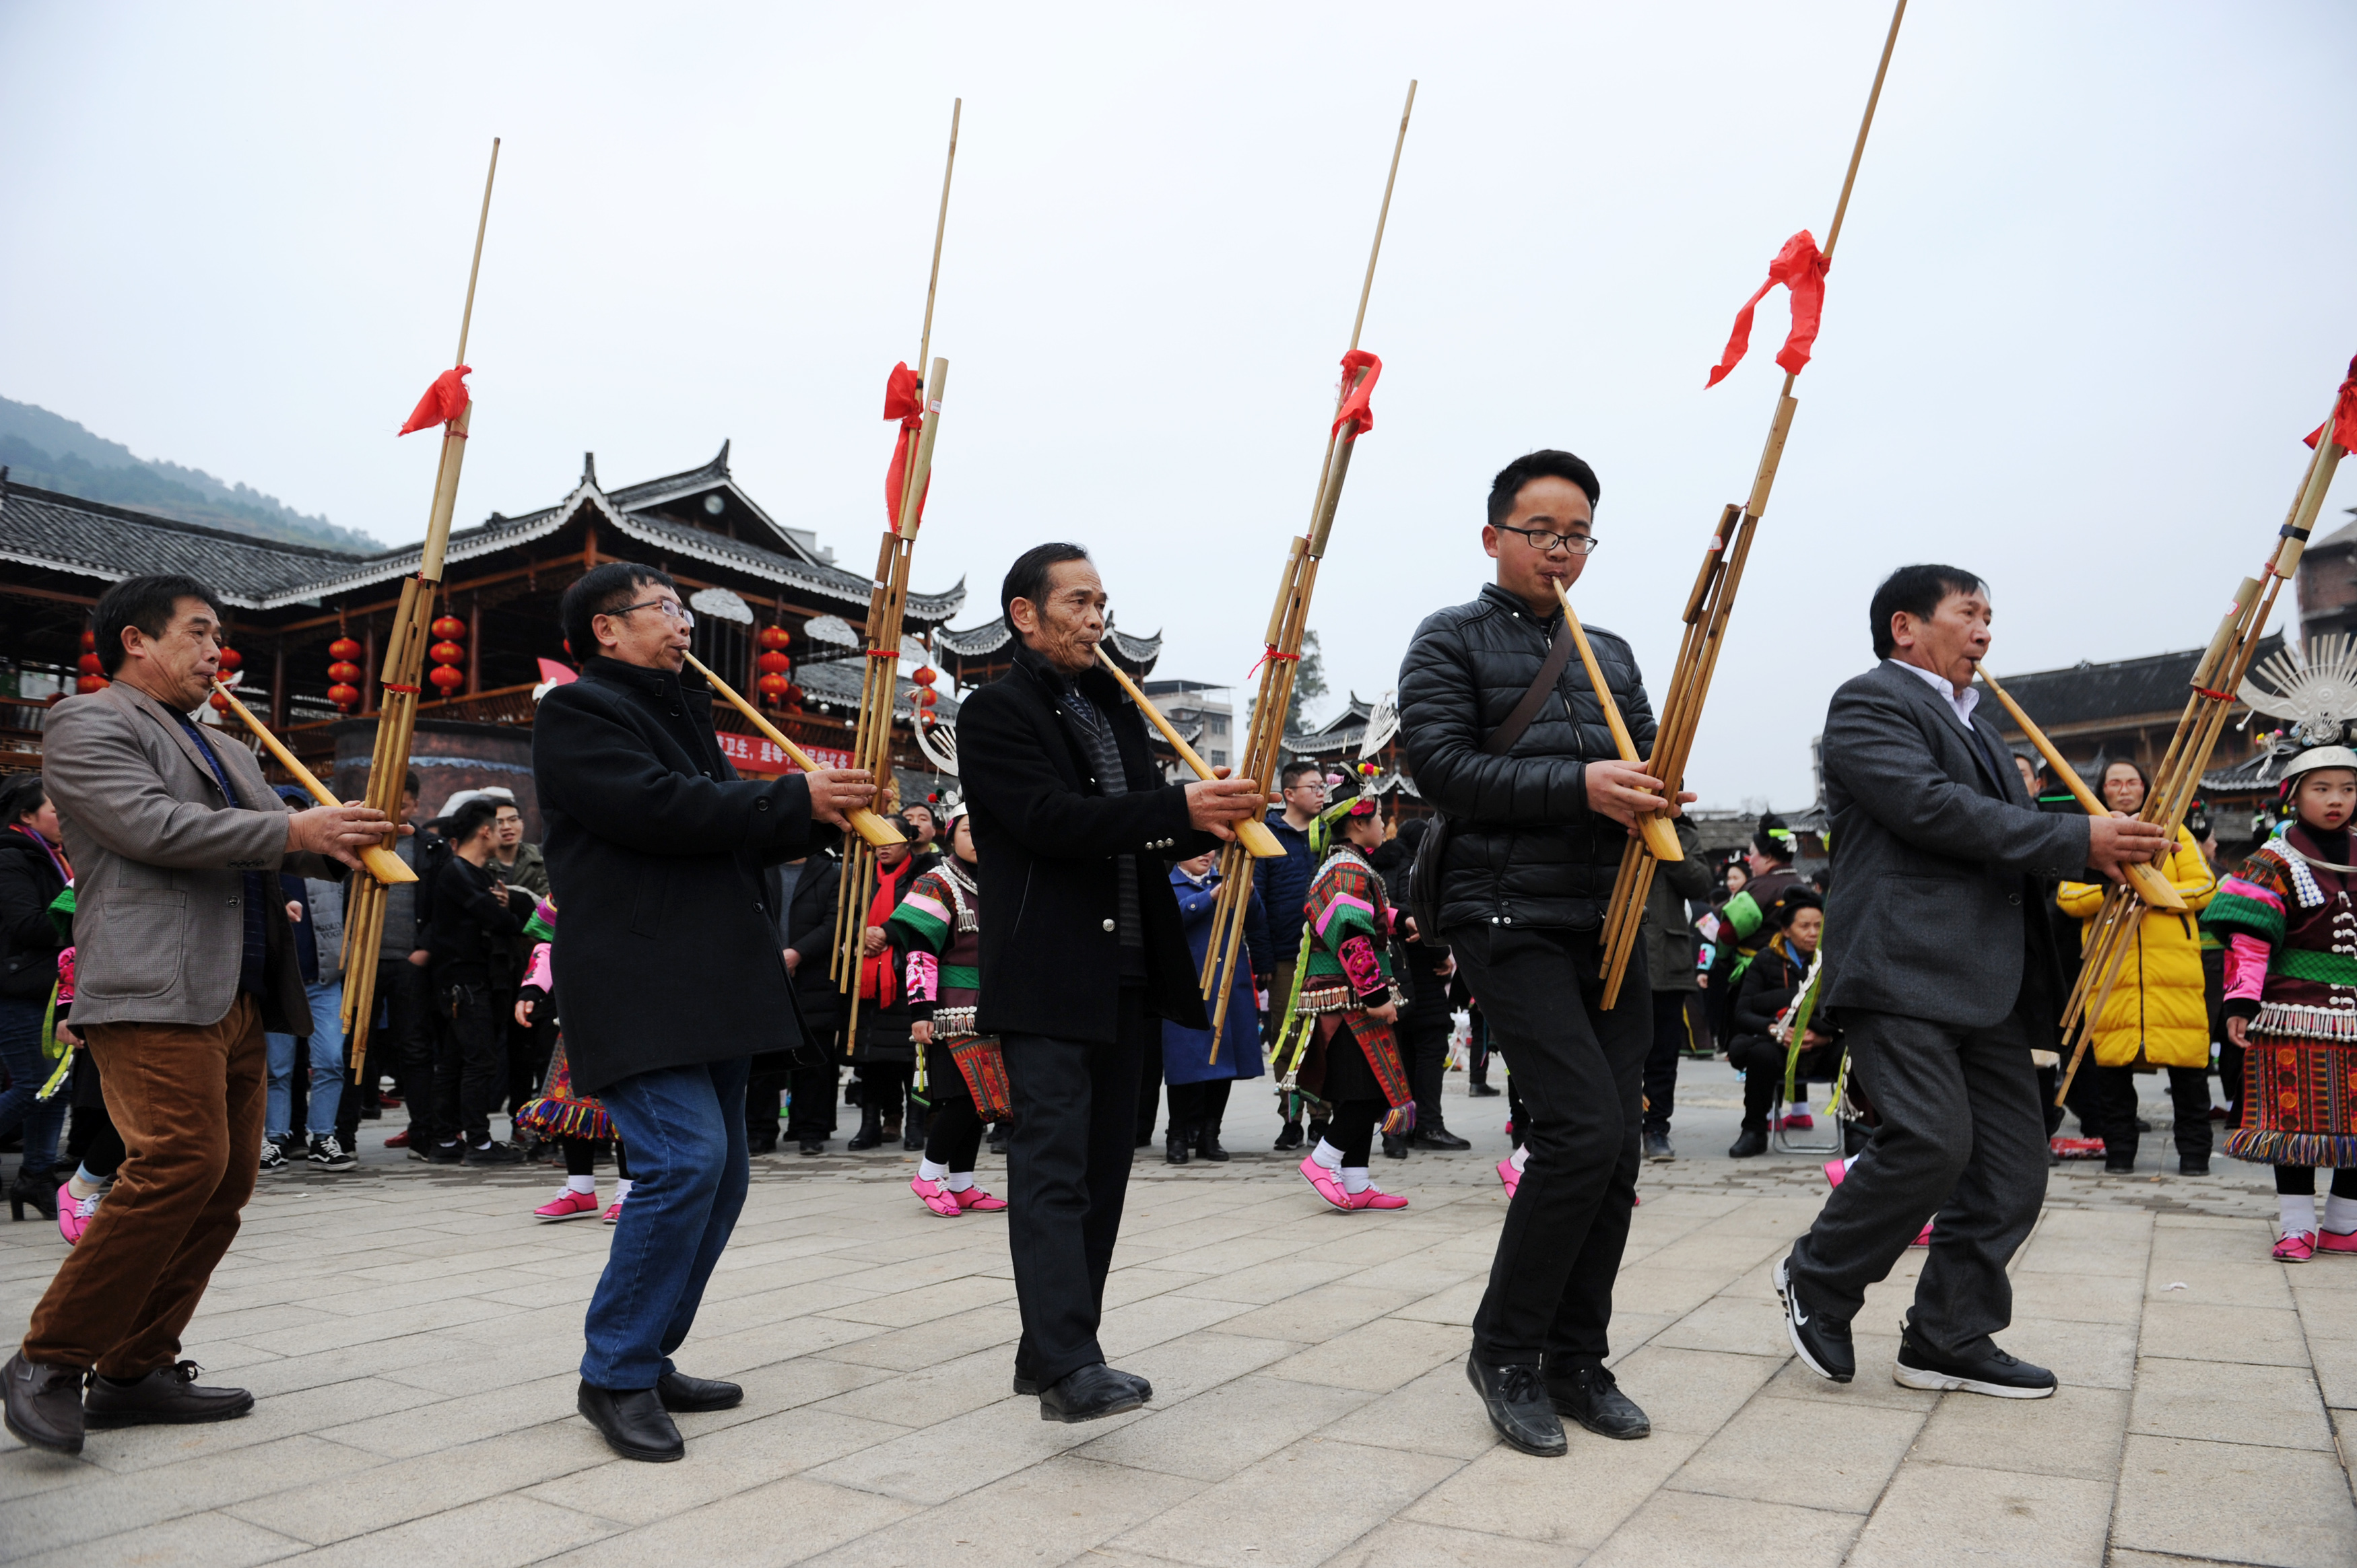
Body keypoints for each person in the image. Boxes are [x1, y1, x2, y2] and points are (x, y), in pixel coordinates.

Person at [3, 574, 397, 1456]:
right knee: (178, 1162)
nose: (216, 650)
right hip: (154, 984)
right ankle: (47, 1357)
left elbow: (275, 847)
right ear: (136, 641)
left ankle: (135, 1367)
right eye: (198, 631)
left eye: (218, 634)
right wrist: (298, 833)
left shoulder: (225, 741)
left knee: (224, 1182)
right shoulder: (88, 720)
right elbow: (152, 827)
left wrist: (348, 844)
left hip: (242, 990)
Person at [1775, 564, 2169, 1400]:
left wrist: (2109, 856)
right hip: (1900, 963)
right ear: (1905, 628)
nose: (1985, 630)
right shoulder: (1870, 701)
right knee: (1928, 1139)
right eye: (1969, 613)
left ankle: (1948, 1333)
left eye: (1991, 615)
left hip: (1988, 977)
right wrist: (2078, 837)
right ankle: (1818, 1277)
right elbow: (1928, 809)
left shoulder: (1985, 730)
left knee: (2011, 1170)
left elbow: (2010, 841)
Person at [533, 561, 874, 1462]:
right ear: (607, 630)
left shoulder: (683, 709)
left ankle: (647, 1351)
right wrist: (789, 795)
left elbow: (729, 825)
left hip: (711, 978)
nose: (683, 624)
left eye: (682, 609)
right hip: (640, 977)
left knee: (722, 1175)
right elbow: (657, 811)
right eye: (665, 609)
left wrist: (817, 818)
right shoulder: (578, 712)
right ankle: (613, 1372)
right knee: (687, 1162)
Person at [1397, 449, 1687, 1458]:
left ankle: (1577, 1355)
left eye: (1577, 535)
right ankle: (1505, 1351)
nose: (1561, 551)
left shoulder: (1610, 649)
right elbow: (1439, 767)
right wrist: (1581, 786)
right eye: (1541, 532)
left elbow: (1646, 761)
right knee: (1574, 1127)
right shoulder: (1450, 638)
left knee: (1615, 1145)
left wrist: (1653, 791)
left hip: (1611, 917)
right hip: (1505, 913)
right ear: (1494, 537)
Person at [958, 542, 1262, 1423]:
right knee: (1052, 1169)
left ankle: (1059, 1348)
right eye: (1080, 602)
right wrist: (1177, 812)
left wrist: (1212, 824)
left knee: (1104, 1169)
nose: (1098, 618)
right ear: (1026, 613)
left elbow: (1141, 828)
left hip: (1130, 968)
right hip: (1048, 970)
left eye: (1103, 603)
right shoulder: (995, 713)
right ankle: (1066, 1360)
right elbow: (1050, 823)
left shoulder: (1114, 707)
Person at [2201, 744, 2357, 1260]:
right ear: (2293, 794)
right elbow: (2250, 940)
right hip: (2291, 1012)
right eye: (2322, 788)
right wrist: (2241, 1003)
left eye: (2348, 788)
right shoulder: (2272, 860)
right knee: (2294, 1123)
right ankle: (2296, 1224)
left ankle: (2343, 1222)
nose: (2336, 800)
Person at [2055, 759, 2219, 1175]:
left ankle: (2196, 1157)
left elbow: (2204, 887)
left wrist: (2149, 890)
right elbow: (2069, 898)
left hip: (2174, 971)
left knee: (2188, 1068)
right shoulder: (2089, 838)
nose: (2124, 789)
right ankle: (2120, 1155)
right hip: (2112, 967)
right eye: (2115, 783)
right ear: (2102, 790)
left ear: (2146, 787)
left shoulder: (2173, 830)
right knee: (2112, 1070)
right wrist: (2114, 889)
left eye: (2132, 782)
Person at [1275, 775, 1414, 1211]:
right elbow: (1351, 937)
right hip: (1349, 1000)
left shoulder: (1347, 867)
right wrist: (1376, 996)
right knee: (1366, 1091)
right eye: (1378, 817)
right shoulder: (1347, 870)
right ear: (1358, 823)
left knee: (1366, 1091)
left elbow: (1364, 916)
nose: (1385, 824)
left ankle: (1355, 1181)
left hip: (1346, 997)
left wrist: (1401, 919)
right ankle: (1324, 1160)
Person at [888, 810, 1009, 1215]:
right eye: (970, 830)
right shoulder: (936, 882)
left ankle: (962, 1183)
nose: (979, 839)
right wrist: (920, 1010)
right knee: (963, 1098)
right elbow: (920, 952)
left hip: (993, 1005)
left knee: (984, 1100)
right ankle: (928, 1174)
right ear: (950, 834)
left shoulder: (1000, 880)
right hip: (949, 1008)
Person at [420, 796, 528, 1165]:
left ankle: (445, 1141)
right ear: (486, 831)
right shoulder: (458, 872)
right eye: (498, 825)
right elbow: (496, 920)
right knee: (479, 1062)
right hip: (464, 984)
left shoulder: (476, 873)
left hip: (467, 983)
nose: (502, 832)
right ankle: (478, 1143)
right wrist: (512, 916)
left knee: (455, 1061)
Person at [512, 912, 634, 1223]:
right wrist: (533, 989)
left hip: (634, 1009)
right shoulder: (568, 882)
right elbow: (549, 944)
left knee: (628, 1104)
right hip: (579, 1012)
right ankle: (580, 1189)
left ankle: (630, 1190)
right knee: (572, 1101)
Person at [258, 790, 356, 1173]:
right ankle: (275, 1139)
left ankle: (322, 1137)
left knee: (331, 1060)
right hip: (280, 980)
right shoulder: (261, 862)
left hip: (325, 977)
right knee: (277, 1067)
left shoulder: (324, 860)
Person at [1160, 848, 1267, 1165]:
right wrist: (1209, 897)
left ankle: (1211, 1135)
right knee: (1183, 1064)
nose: (1206, 855)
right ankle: (1177, 1134)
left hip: (1228, 985)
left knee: (1225, 1063)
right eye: (1196, 848)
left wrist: (1248, 894)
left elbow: (1258, 921)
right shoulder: (1169, 884)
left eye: (1211, 849)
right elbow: (1167, 922)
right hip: (1187, 988)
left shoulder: (1228, 880)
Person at [0, 773, 73, 1221]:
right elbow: (28, 926)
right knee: (33, 1085)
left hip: (52, 990)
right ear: (27, 816)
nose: (64, 818)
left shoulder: (53, 856)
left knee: (55, 1089)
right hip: (19, 989)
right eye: (55, 809)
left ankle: (38, 1175)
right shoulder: (11, 857)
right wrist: (78, 904)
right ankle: (35, 1174)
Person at [1375, 817, 1467, 1156]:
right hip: (1420, 971)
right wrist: (1443, 952)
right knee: (1429, 1049)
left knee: (1401, 1052)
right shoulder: (1414, 866)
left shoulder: (1377, 864)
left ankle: (1398, 1130)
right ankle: (1427, 1124)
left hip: (1390, 970)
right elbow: (1419, 912)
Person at [1725, 887, 1834, 1157]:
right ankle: (1754, 1131)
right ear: (1786, 930)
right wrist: (1775, 1030)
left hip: (1821, 1047)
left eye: (1819, 926)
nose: (1813, 932)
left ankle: (1860, 1132)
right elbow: (1743, 1012)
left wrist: (1823, 1037)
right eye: (1804, 926)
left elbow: (1844, 1010)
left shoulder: (1832, 959)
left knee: (1855, 1053)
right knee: (1760, 1054)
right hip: (1778, 1046)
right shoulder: (1765, 960)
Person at [1638, 815, 1715, 1161]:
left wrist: (1664, 841)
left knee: (1663, 1053)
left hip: (1666, 960)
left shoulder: (1682, 830)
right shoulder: (1608, 816)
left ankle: (1656, 1128)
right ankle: (1616, 1126)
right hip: (1613, 953)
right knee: (1614, 1051)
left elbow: (1699, 883)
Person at [849, 822, 922, 1151]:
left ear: (908, 842)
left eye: (890, 838)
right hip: (868, 982)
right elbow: (842, 915)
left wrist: (887, 932)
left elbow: (923, 915)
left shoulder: (923, 875)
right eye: (875, 837)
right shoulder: (860, 875)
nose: (882, 845)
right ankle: (870, 1125)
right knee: (872, 1056)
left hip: (907, 978)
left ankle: (916, 1126)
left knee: (911, 1057)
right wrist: (862, 931)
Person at [1264, 761, 1326, 1150]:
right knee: (1286, 1038)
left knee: (1323, 1037)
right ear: (1289, 794)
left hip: (1326, 954)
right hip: (1286, 954)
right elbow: (1255, 899)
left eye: (1323, 786)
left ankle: (1322, 1118)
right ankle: (1291, 1120)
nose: (1321, 792)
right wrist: (1263, 958)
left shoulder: (1330, 832)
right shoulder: (1267, 835)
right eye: (1313, 786)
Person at [781, 847, 845, 1155]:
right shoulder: (759, 866)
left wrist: (797, 953)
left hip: (815, 976)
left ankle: (811, 1130)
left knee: (813, 1058)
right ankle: (758, 1129)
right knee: (761, 1059)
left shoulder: (830, 871)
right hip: (765, 973)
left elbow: (835, 923)